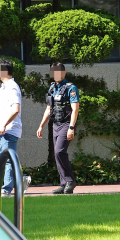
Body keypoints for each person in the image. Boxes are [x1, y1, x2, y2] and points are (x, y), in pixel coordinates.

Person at [0, 60, 31, 197]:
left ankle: (7, 189)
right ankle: (21, 179)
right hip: (1, 130)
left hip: (10, 129)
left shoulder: (12, 87)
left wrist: (4, 124)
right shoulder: (3, 88)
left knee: (8, 159)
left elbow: (16, 109)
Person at [36, 63, 80, 194]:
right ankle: (64, 183)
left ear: (63, 73)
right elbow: (49, 109)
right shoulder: (52, 88)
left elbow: (75, 108)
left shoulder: (71, 88)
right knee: (56, 154)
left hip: (66, 124)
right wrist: (41, 125)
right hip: (55, 124)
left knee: (60, 151)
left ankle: (70, 180)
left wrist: (71, 127)